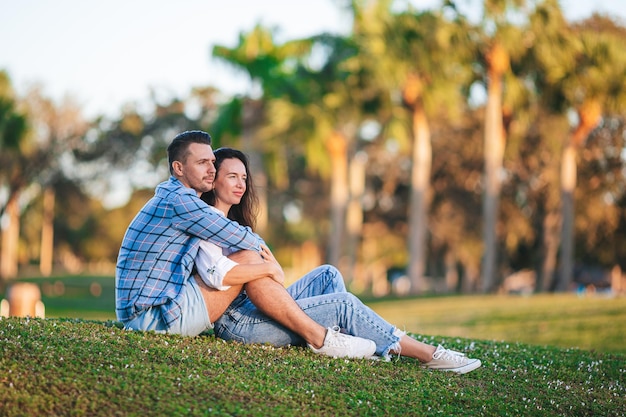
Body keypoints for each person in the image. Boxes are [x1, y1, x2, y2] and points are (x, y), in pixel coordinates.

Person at [195, 146, 482, 374]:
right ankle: (428, 354)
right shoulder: (204, 222)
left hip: (260, 305)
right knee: (343, 304)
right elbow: (214, 275)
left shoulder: (235, 225)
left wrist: (271, 271)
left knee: (328, 275)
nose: (241, 184)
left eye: (244, 177)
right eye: (232, 176)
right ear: (213, 179)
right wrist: (269, 268)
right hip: (238, 323)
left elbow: (271, 279)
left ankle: (350, 342)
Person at [115, 130, 376, 359]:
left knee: (326, 274)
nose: (210, 169)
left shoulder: (177, 199)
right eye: (202, 163)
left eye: (212, 163)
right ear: (179, 168)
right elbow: (236, 239)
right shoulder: (181, 202)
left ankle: (337, 336)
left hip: (149, 313)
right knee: (251, 257)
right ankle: (322, 338)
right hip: (153, 319)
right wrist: (268, 264)